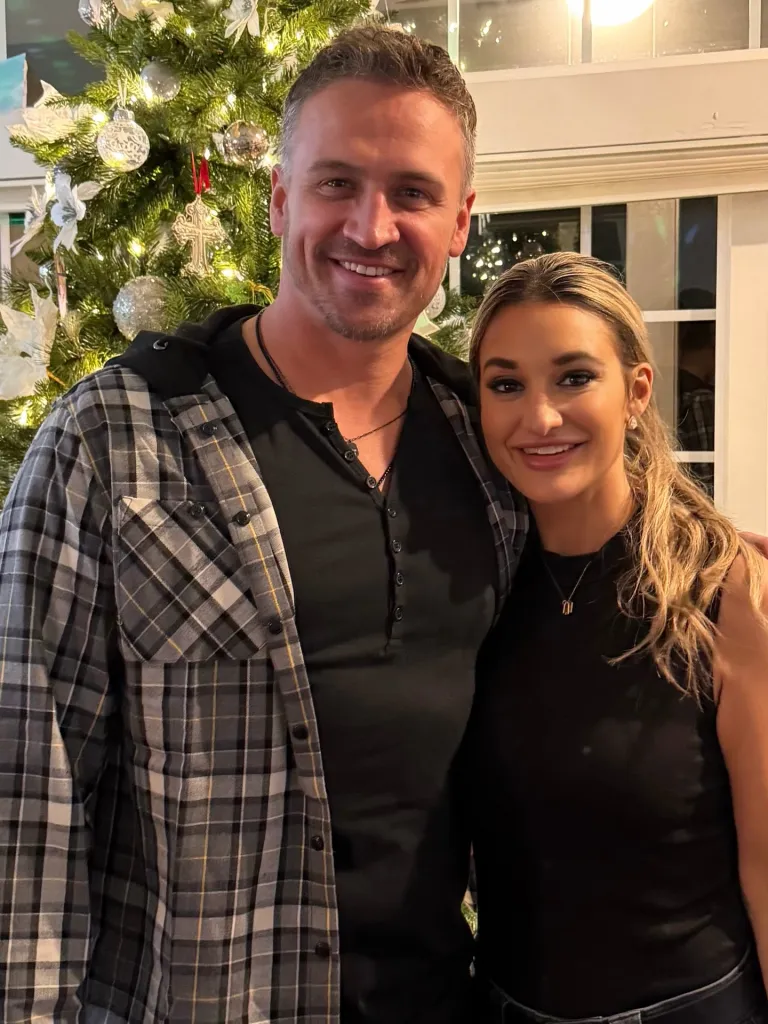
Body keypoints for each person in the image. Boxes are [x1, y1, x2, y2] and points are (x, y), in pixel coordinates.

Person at [0, 26, 527, 1024]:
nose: (372, 225)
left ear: (461, 221)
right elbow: (25, 793)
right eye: (337, 183)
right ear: (281, 199)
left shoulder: (491, 450)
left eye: (413, 192)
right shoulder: (112, 439)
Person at [467, 251, 768, 1024]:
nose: (540, 418)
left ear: (636, 391)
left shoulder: (724, 589)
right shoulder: (469, 589)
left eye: (574, 377)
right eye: (506, 385)